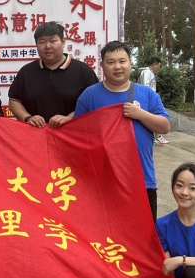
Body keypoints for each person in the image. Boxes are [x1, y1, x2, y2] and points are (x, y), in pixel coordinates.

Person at [73, 40, 170, 220]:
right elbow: (76, 135)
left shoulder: (147, 94)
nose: (117, 67)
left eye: (122, 61)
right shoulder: (89, 95)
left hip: (142, 180)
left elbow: (165, 127)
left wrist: (140, 114)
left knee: (144, 234)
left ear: (130, 63)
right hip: (102, 184)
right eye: (111, 62)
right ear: (102, 65)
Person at [8, 22, 98, 128]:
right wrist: (28, 118)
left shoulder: (83, 71)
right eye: (42, 42)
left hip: (73, 133)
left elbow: (94, 102)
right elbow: (14, 101)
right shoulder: (26, 72)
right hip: (35, 134)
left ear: (63, 42)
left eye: (53, 41)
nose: (47, 46)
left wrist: (70, 118)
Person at [138, 56, 169, 145]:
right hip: (148, 98)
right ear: (154, 65)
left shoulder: (148, 72)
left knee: (155, 116)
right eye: (159, 65)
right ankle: (157, 137)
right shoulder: (146, 72)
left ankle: (157, 136)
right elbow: (145, 86)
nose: (159, 67)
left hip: (149, 97)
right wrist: (149, 98)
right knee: (157, 115)